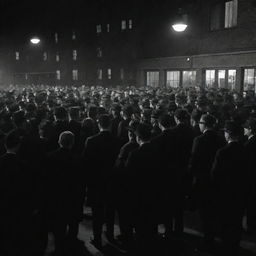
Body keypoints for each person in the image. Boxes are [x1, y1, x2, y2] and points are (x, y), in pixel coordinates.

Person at [83, 114, 121, 249]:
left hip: (96, 181)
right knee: (110, 210)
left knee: (97, 212)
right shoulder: (117, 140)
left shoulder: (91, 141)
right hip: (111, 180)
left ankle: (97, 237)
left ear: (98, 125)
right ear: (110, 125)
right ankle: (110, 234)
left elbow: (87, 163)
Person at [212, 121, 249, 256]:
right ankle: (235, 246)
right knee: (236, 221)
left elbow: (215, 176)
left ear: (228, 134)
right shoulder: (246, 151)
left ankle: (226, 248)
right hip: (240, 193)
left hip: (225, 194)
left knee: (225, 223)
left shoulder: (222, 152)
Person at [189, 114, 225, 251]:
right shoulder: (221, 139)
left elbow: (194, 160)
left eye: (200, 122)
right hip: (217, 180)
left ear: (204, 124)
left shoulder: (199, 140)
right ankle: (215, 235)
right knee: (214, 209)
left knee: (204, 213)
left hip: (202, 180)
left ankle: (207, 241)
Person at [47, 131, 84, 255]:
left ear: (59, 141)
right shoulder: (77, 159)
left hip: (57, 198)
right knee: (73, 225)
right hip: (73, 198)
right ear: (72, 143)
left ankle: (59, 248)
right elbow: (81, 182)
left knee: (59, 226)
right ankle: (72, 247)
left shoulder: (50, 157)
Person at [125, 123, 158, 253]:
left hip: (139, 195)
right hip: (154, 193)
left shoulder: (134, 154)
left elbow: (128, 176)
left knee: (140, 224)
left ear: (138, 138)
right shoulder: (158, 151)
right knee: (152, 222)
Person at [243, 117, 256, 234]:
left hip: (251, 178)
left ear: (251, 129)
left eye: (246, 127)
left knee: (251, 203)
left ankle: (251, 227)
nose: (244, 129)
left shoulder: (248, 145)